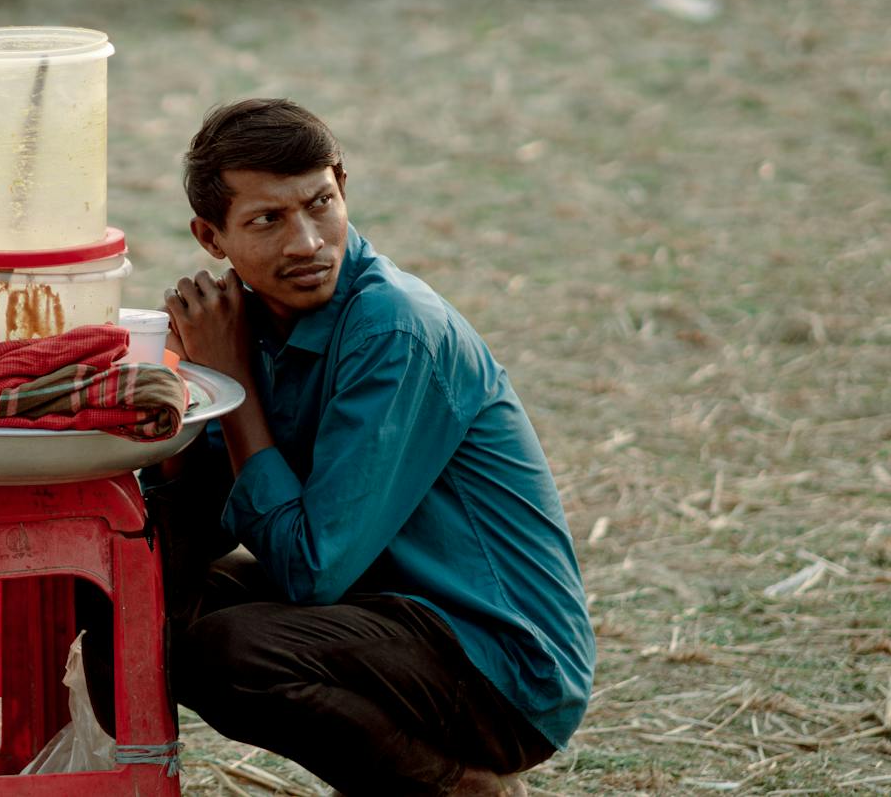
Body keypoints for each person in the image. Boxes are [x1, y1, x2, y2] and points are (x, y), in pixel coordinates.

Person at [86, 99, 594, 796]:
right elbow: (196, 528)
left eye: (319, 204)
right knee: (119, 590)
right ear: (210, 237)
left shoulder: (394, 331)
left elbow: (310, 573)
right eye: (267, 220)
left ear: (343, 188)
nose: (306, 243)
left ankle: (456, 786)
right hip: (379, 610)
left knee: (232, 652)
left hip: (498, 662)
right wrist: (182, 393)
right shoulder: (239, 323)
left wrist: (235, 387)